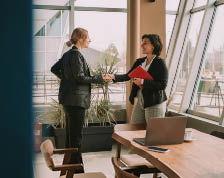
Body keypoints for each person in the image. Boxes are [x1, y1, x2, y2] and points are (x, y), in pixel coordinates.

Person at [51, 27, 109, 172]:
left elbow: (54, 69)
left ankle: (71, 170)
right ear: (80, 39)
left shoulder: (68, 54)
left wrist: (66, 79)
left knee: (72, 137)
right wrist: (100, 78)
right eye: (88, 37)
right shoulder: (76, 55)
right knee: (76, 139)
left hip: (70, 100)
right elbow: (80, 77)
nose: (90, 40)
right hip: (76, 101)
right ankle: (78, 172)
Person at [107, 34, 168, 124]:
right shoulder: (140, 61)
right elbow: (128, 76)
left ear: (153, 45)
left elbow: (162, 85)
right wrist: (113, 76)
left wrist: (142, 81)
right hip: (141, 100)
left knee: (152, 132)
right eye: (142, 43)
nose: (141, 45)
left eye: (145, 43)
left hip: (154, 102)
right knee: (135, 127)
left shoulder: (160, 63)